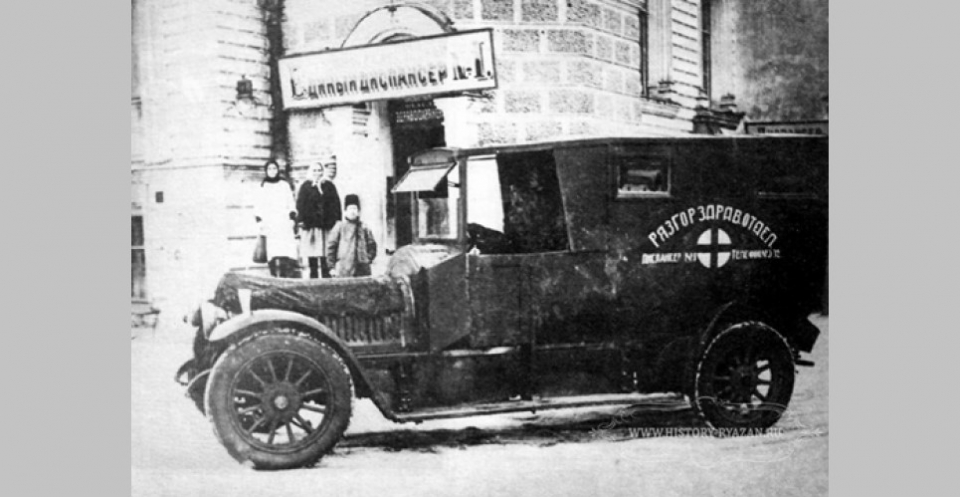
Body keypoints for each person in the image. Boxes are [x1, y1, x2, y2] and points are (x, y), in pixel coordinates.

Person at [296, 156, 341, 278]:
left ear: (323, 171)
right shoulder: (306, 186)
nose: (317, 173)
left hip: (326, 227)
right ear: (311, 171)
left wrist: (337, 221)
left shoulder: (329, 186)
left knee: (326, 255)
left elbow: (336, 204)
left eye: (319, 170)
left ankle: (326, 280)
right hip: (311, 227)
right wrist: (301, 220)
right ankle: (314, 279)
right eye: (315, 170)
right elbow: (300, 205)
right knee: (313, 257)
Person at [254, 160, 298, 277]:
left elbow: (291, 203)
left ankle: (286, 277)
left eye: (274, 168)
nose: (272, 171)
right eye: (270, 169)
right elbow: (258, 206)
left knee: (286, 251)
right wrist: (260, 222)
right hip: (270, 224)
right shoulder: (262, 186)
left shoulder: (284, 185)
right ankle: (274, 277)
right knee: (273, 252)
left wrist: (292, 219)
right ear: (266, 171)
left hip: (284, 223)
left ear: (278, 170)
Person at [326, 194, 377, 277]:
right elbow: (331, 247)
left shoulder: (364, 227)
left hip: (363, 270)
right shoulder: (339, 227)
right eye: (350, 209)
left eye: (355, 209)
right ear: (345, 211)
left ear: (358, 211)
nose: (353, 211)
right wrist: (331, 267)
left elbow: (372, 245)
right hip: (344, 269)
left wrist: (368, 259)